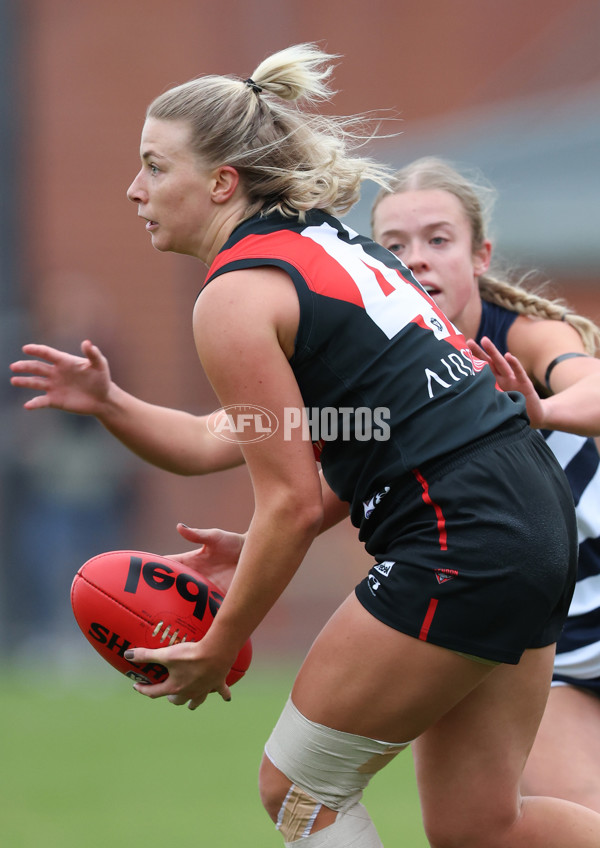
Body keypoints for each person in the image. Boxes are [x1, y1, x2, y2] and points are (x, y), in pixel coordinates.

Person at [9, 44, 600, 848]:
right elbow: (233, 437)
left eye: (154, 166)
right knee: (481, 827)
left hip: (464, 540)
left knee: (297, 789)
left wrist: (219, 644)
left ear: (222, 183)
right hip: (534, 521)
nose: (135, 188)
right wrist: (113, 403)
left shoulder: (235, 296)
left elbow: (286, 503)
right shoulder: (324, 245)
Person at [370, 156, 600, 816]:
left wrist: (544, 410)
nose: (417, 259)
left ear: (480, 255)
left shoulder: (520, 336)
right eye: (394, 247)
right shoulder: (384, 372)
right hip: (549, 643)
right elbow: (246, 440)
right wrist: (113, 403)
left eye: (438, 239)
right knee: (545, 816)